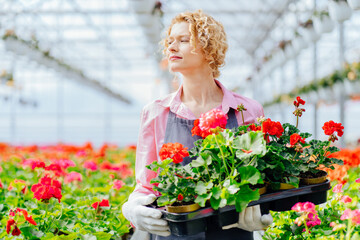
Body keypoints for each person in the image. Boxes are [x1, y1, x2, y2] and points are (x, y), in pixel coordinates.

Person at [122, 9, 273, 240]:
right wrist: (132, 208)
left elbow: (264, 178)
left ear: (208, 47)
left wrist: (262, 210)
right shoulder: (155, 113)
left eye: (183, 40)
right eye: (170, 41)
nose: (171, 47)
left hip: (234, 232)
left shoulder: (248, 111)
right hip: (173, 233)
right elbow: (146, 186)